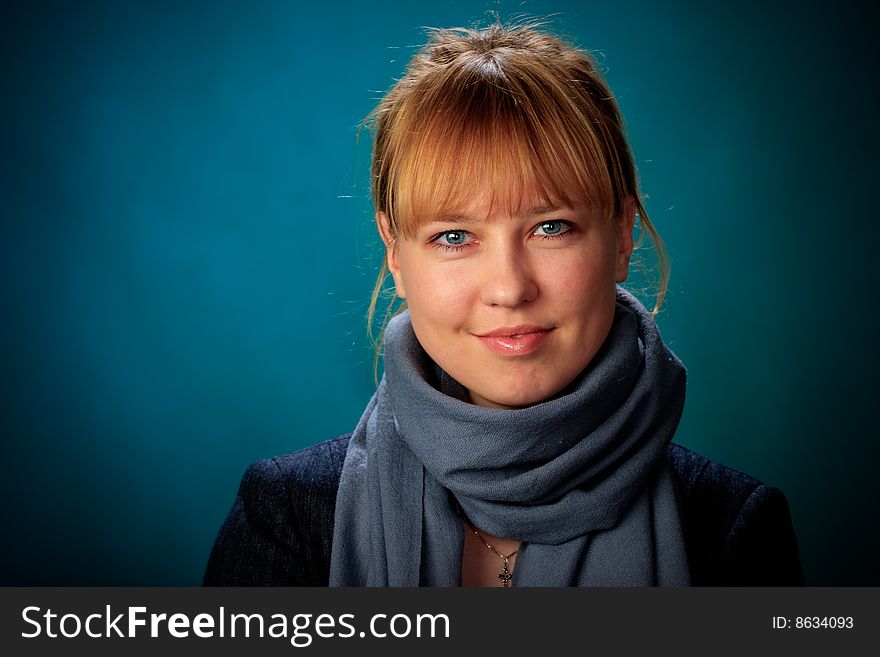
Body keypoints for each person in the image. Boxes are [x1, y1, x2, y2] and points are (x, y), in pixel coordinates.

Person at [203, 22, 803, 587]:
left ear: (622, 237)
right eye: (454, 236)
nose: (510, 288)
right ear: (394, 252)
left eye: (551, 227)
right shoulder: (284, 518)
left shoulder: (732, 529)